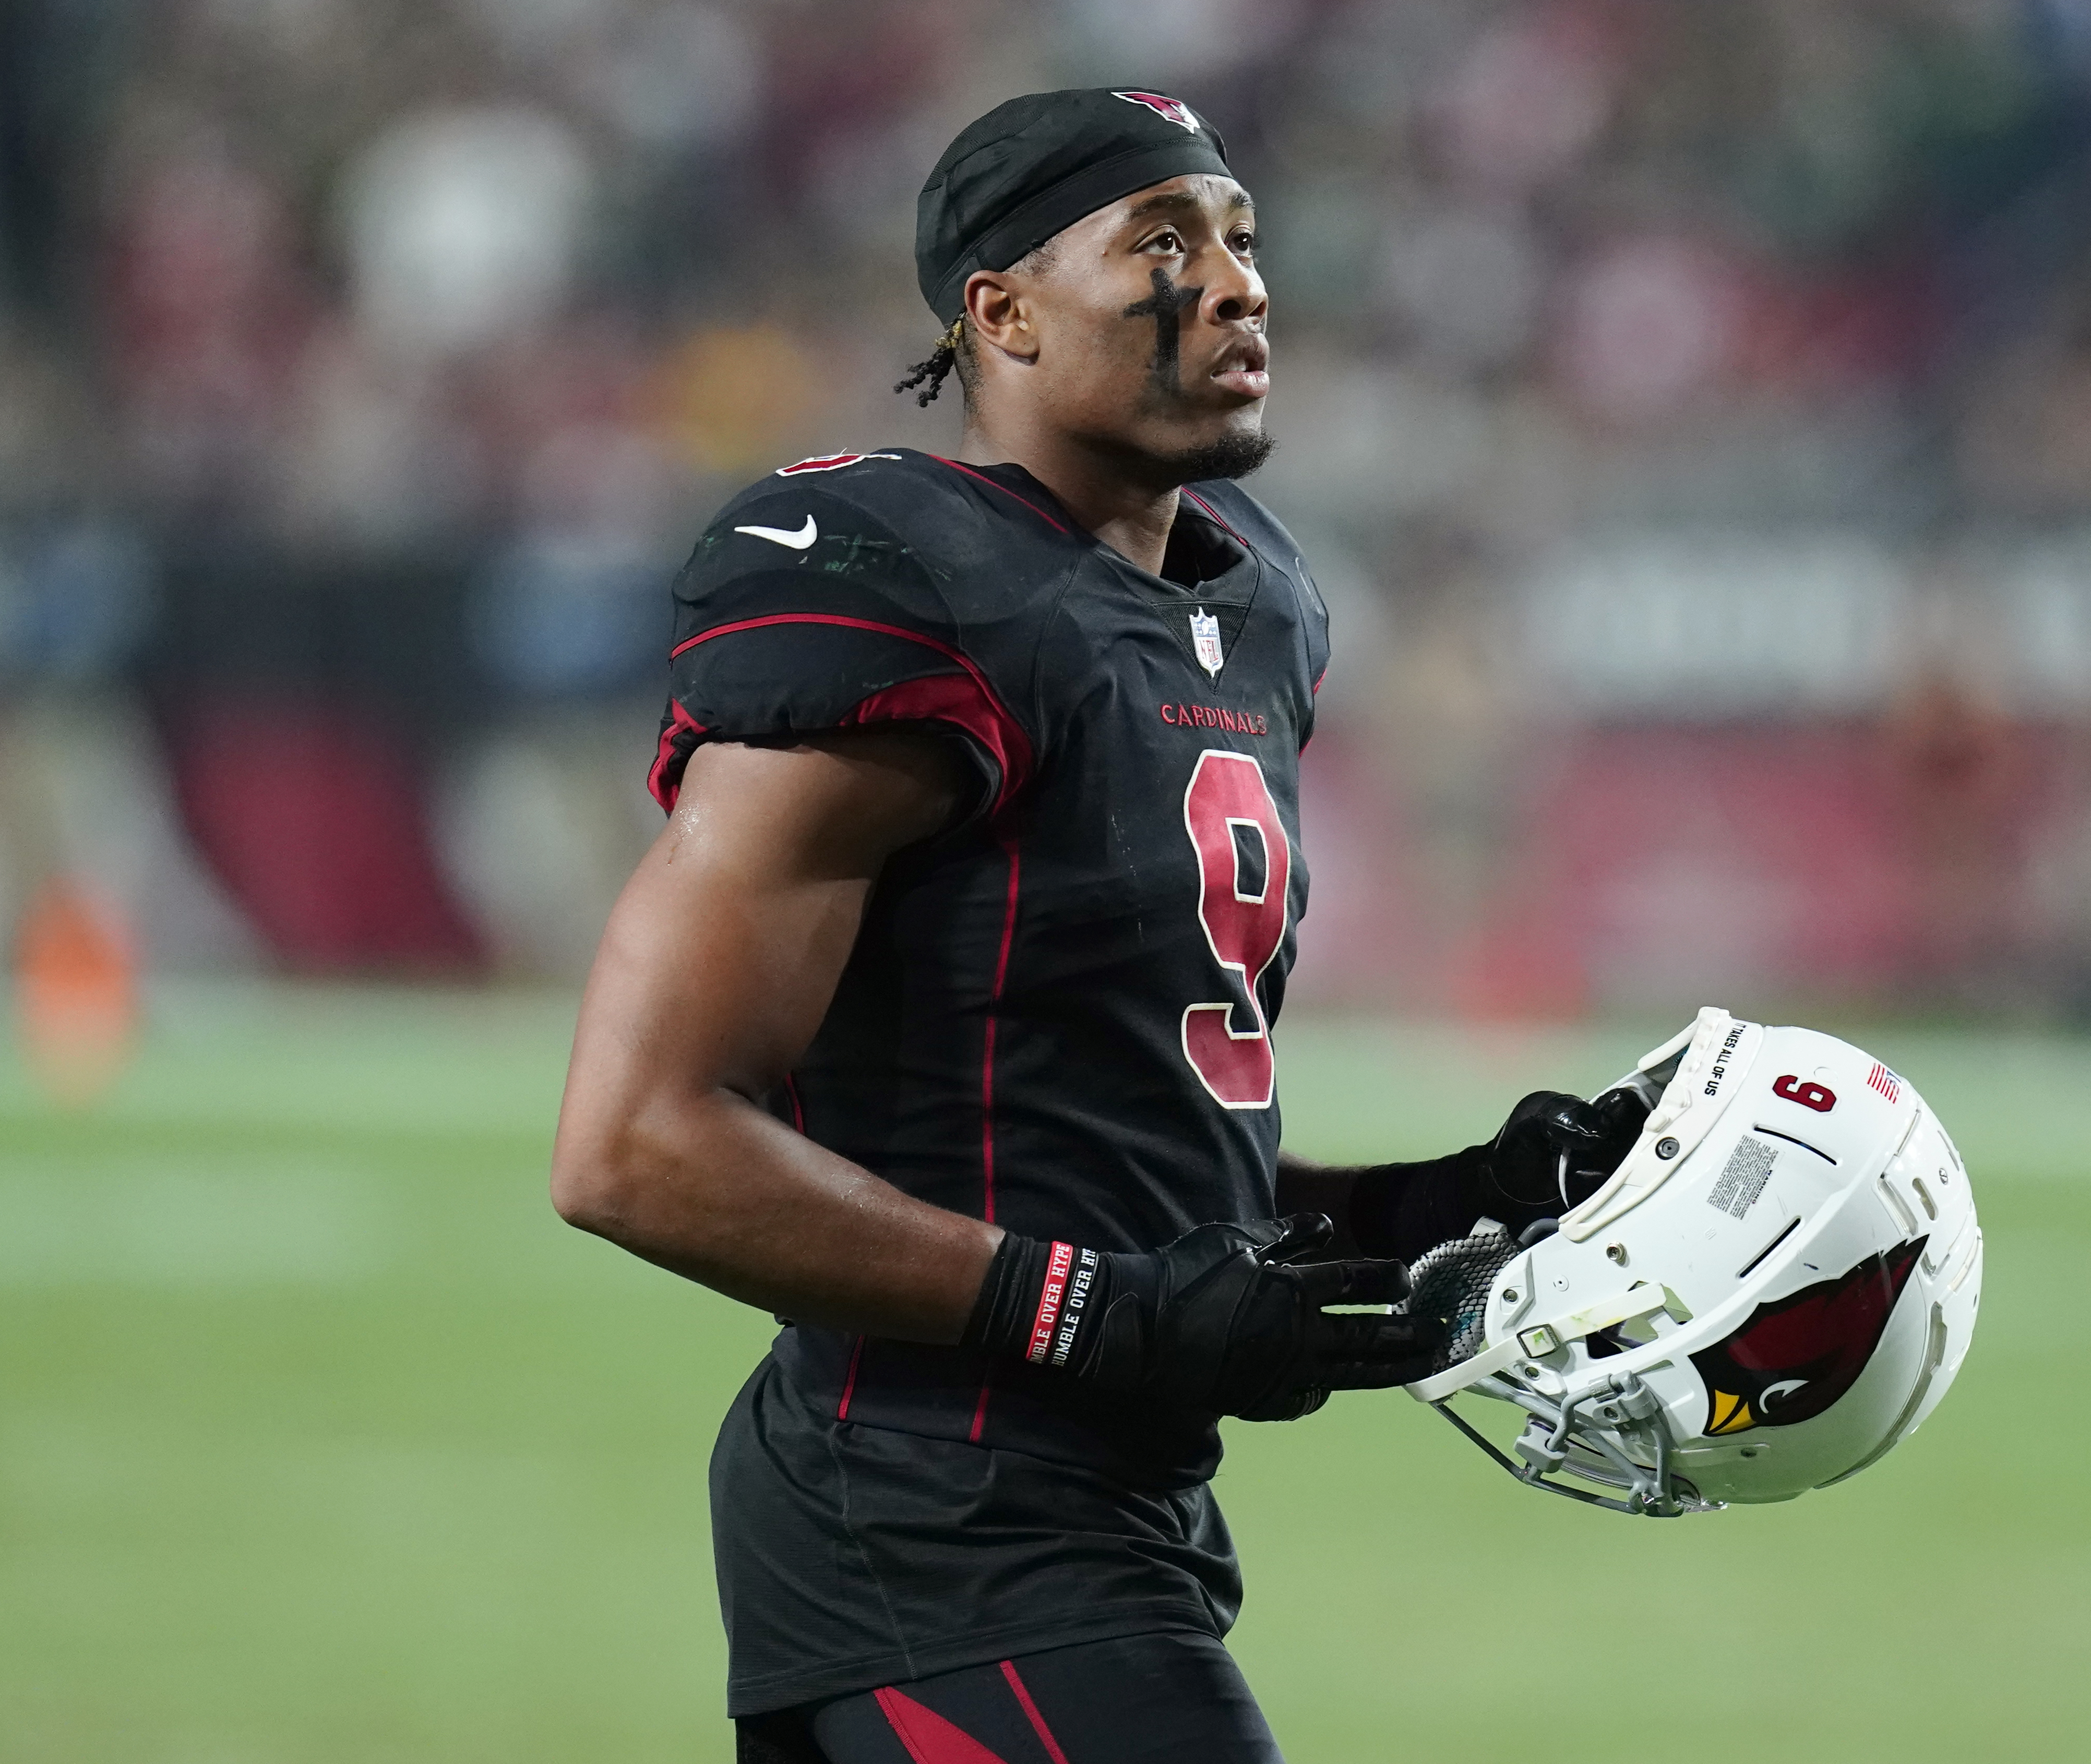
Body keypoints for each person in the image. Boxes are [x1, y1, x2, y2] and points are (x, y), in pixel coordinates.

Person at [549, 88, 1635, 1763]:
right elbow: (638, 1142)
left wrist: (1429, 1205)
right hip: (926, 1506)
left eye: (1244, 239)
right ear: (1001, 312)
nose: (1239, 283)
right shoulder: (904, 575)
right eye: (1163, 243)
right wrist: (1100, 1319)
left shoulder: (1251, 609)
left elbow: (1101, 1148)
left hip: (1102, 1523)